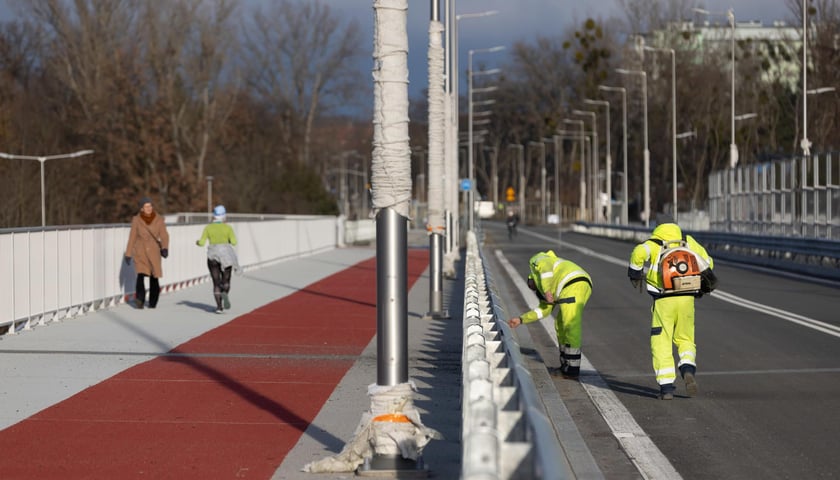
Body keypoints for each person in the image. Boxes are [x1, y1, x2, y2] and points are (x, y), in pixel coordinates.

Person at [627, 222, 716, 400]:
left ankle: (666, 387)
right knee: (685, 338)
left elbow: (638, 253)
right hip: (687, 298)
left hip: (664, 300)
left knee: (662, 341)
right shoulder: (687, 241)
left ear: (658, 231)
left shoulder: (655, 243)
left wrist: (635, 273)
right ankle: (688, 368)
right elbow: (708, 262)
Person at [507, 250, 593, 379]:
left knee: (570, 324)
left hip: (573, 284)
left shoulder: (537, 261)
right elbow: (543, 311)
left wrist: (547, 291)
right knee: (560, 324)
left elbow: (545, 265)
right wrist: (521, 319)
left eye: (531, 286)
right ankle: (566, 365)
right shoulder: (546, 286)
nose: (532, 288)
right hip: (575, 285)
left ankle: (572, 370)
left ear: (532, 278)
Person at [124, 197, 170, 309]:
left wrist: (164, 247)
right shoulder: (136, 220)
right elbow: (132, 237)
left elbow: (164, 235)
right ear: (141, 209)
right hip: (141, 251)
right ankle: (140, 299)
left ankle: (153, 301)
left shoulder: (159, 219)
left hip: (154, 251)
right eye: (146, 206)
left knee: (154, 276)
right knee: (140, 275)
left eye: (150, 206)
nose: (149, 208)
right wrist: (128, 253)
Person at [196, 205, 239, 314]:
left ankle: (219, 307)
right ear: (224, 216)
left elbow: (201, 243)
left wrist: (197, 242)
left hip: (212, 256)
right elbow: (234, 242)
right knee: (226, 281)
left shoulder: (208, 228)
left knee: (216, 283)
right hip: (225, 256)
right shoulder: (228, 228)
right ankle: (225, 292)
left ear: (214, 216)